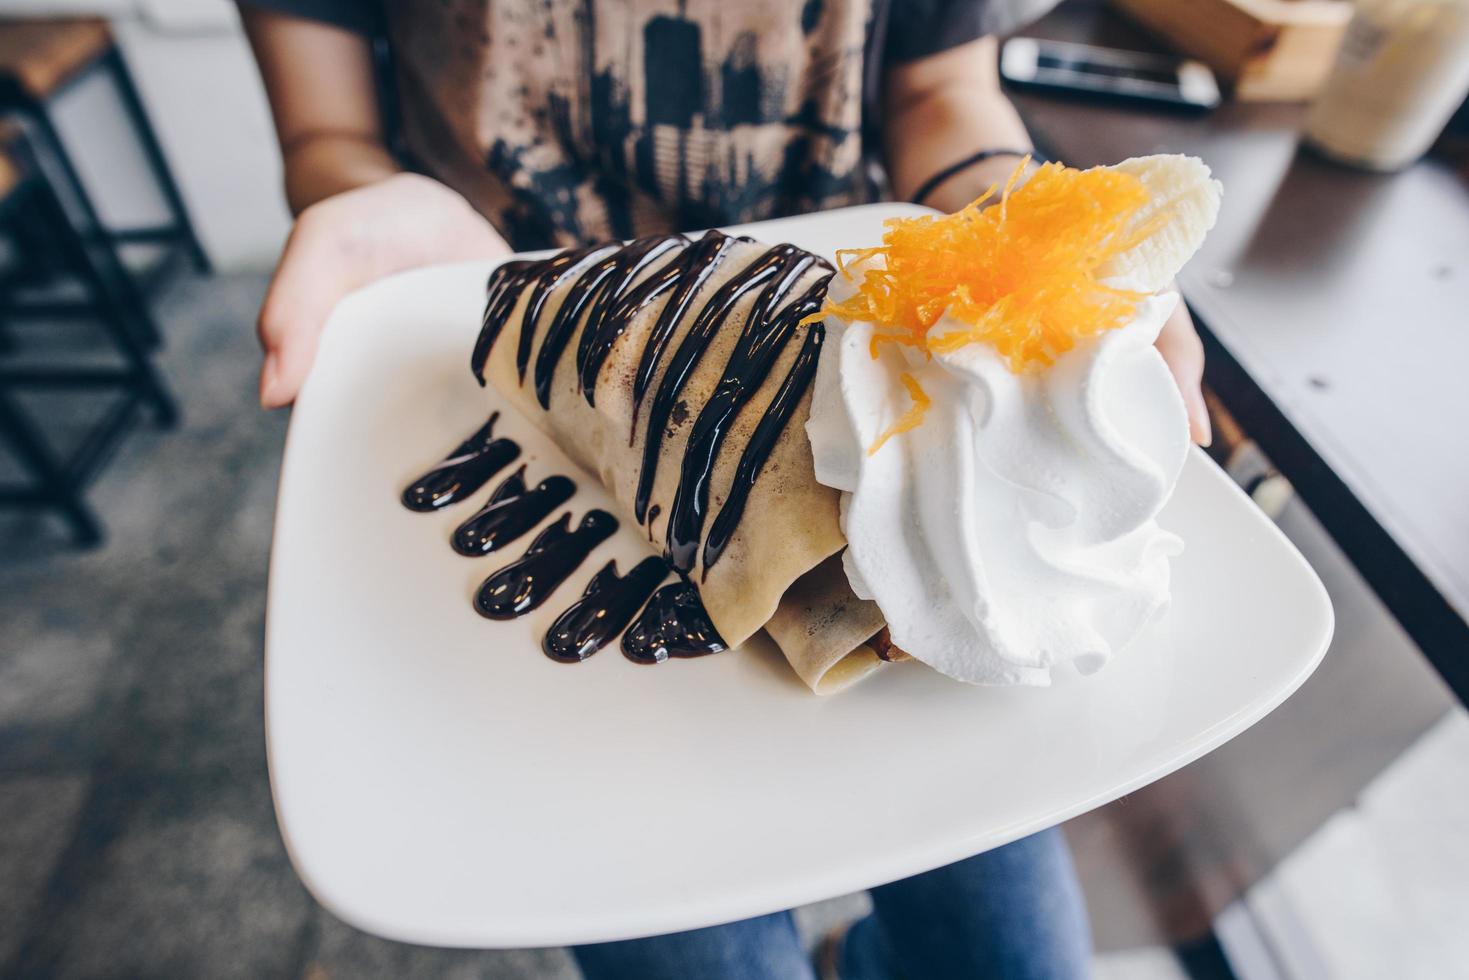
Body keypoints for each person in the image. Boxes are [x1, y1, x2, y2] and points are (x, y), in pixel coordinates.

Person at [240, 2, 1209, 976]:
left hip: (871, 368)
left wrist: (1013, 245)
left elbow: (938, 88)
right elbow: (329, 131)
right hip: (481, 289)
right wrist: (364, 195)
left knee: (1018, 958)